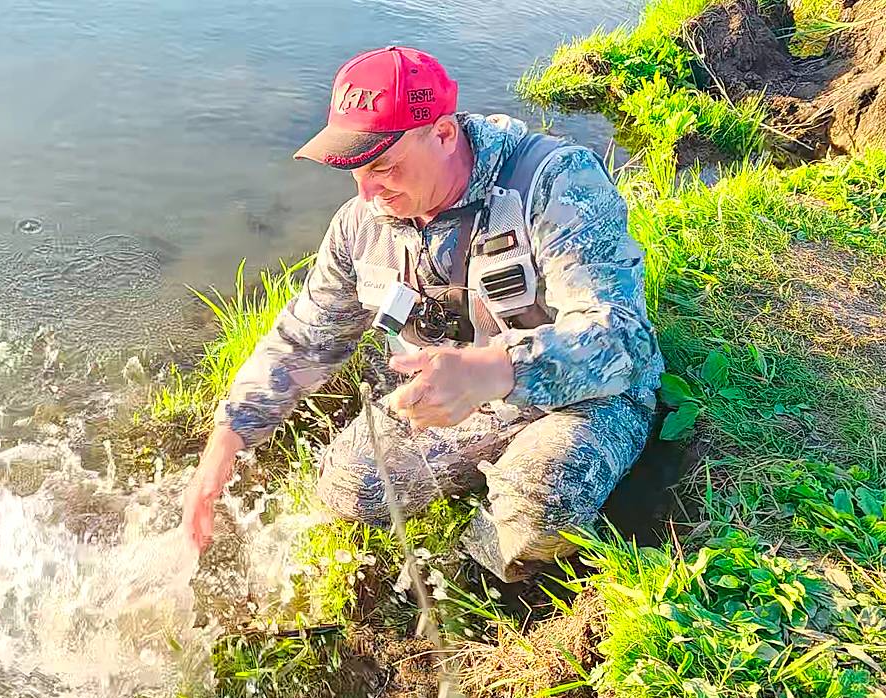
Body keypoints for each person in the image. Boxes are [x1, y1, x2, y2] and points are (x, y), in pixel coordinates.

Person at [180, 46, 664, 583]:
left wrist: (492, 370)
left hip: (584, 395)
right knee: (348, 487)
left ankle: (480, 572)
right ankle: (493, 481)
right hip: (458, 401)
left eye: (384, 166)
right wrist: (227, 439)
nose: (367, 192)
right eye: (354, 171)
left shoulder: (554, 181)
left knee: (536, 505)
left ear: (443, 133)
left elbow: (619, 338)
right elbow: (304, 339)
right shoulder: (361, 222)